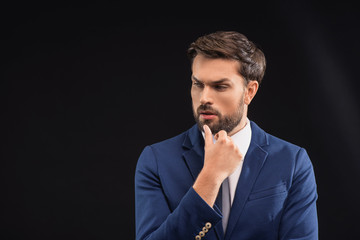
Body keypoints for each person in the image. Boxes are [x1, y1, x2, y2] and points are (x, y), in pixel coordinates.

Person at [134, 31, 318, 240]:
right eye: (198, 84)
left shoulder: (293, 162)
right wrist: (210, 177)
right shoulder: (156, 161)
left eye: (220, 86)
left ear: (250, 91)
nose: (204, 98)